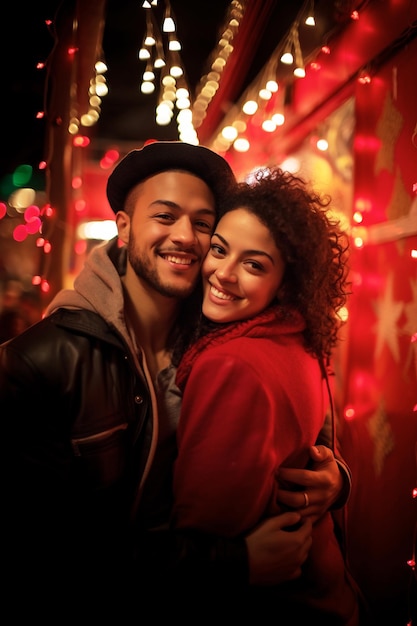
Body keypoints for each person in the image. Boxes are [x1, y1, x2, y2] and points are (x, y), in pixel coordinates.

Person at [1, 142, 350, 618]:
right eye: (165, 217)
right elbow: (50, 553)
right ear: (124, 227)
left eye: (203, 223)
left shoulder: (222, 322)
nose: (186, 237)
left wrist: (334, 479)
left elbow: (311, 431)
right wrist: (234, 563)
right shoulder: (38, 362)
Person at [172, 166, 362, 623]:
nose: (223, 273)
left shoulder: (232, 363)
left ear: (285, 283)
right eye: (219, 250)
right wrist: (338, 480)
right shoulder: (296, 336)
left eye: (254, 264)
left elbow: (204, 527)